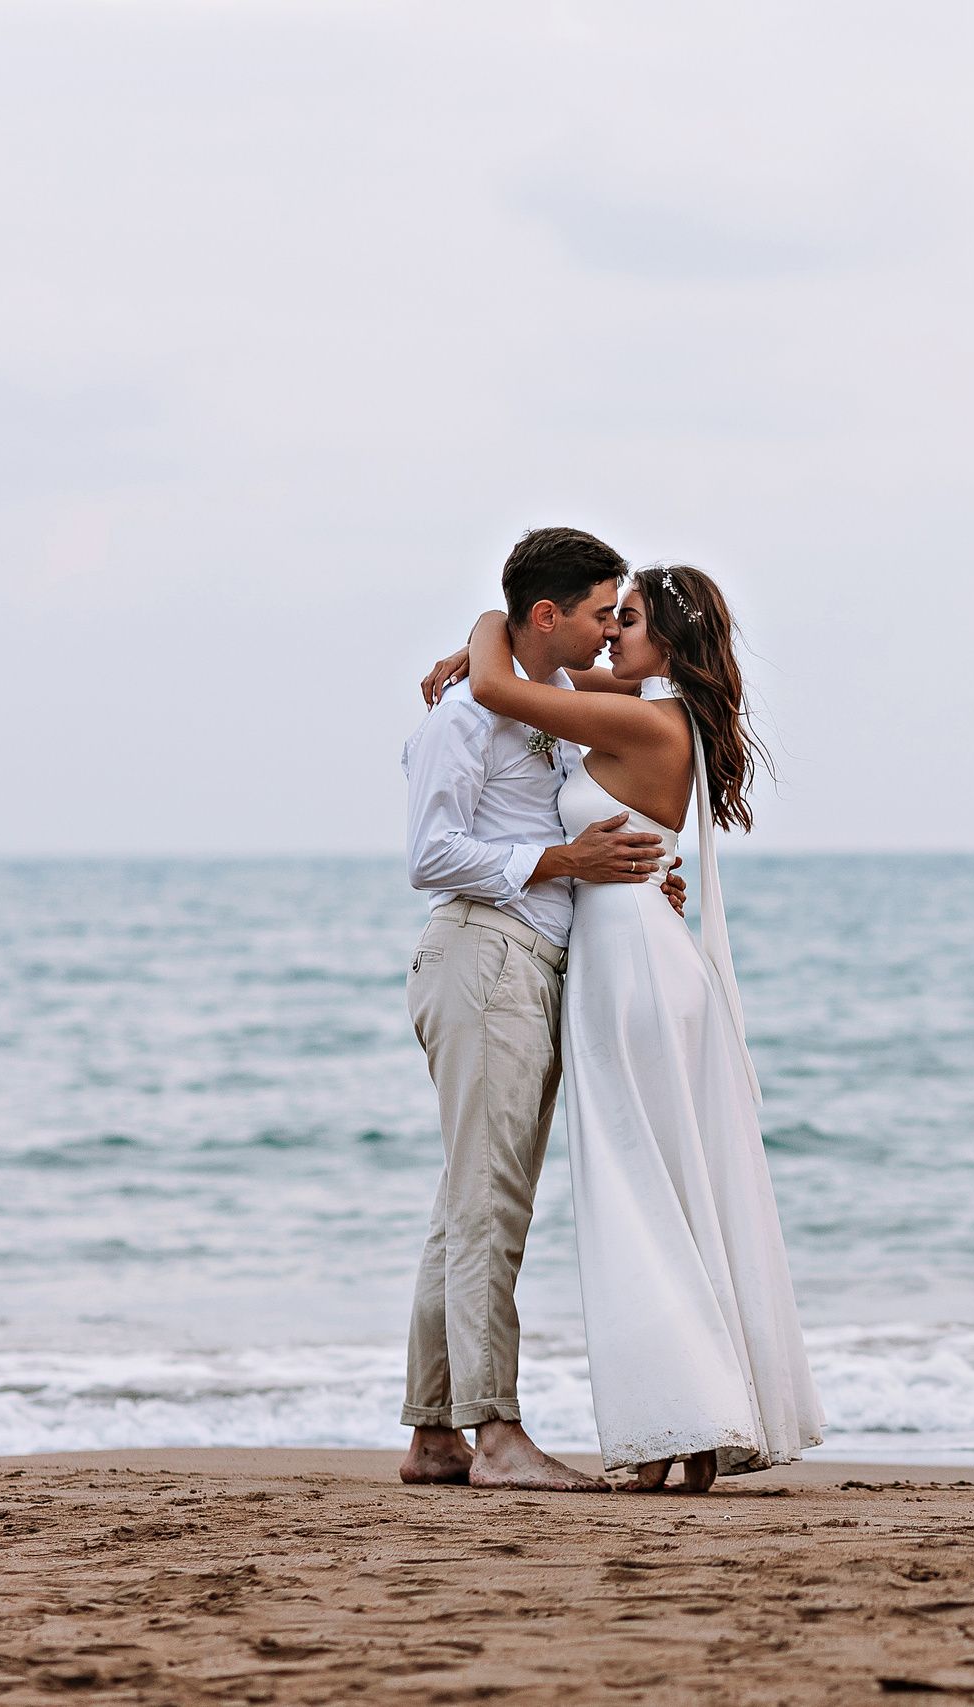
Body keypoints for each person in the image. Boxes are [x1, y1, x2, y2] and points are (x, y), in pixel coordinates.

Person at [449, 563, 824, 1492]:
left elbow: (503, 686)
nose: (612, 631)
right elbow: (557, 679)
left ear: (669, 640)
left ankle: (679, 1423)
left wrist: (490, 620)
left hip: (634, 972)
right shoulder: (658, 708)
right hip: (641, 955)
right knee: (666, 1187)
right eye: (609, 616)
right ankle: (691, 1427)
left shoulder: (645, 718)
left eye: (631, 620)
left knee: (637, 1191)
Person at [397, 526, 683, 1492]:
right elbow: (429, 856)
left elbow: (622, 731)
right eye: (603, 613)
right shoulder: (461, 724)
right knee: (491, 1204)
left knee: (465, 1199)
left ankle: (436, 1433)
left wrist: (630, 881)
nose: (613, 632)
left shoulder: (546, 705)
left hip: (524, 960)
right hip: (484, 954)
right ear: (550, 614)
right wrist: (565, 862)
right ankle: (497, 1434)